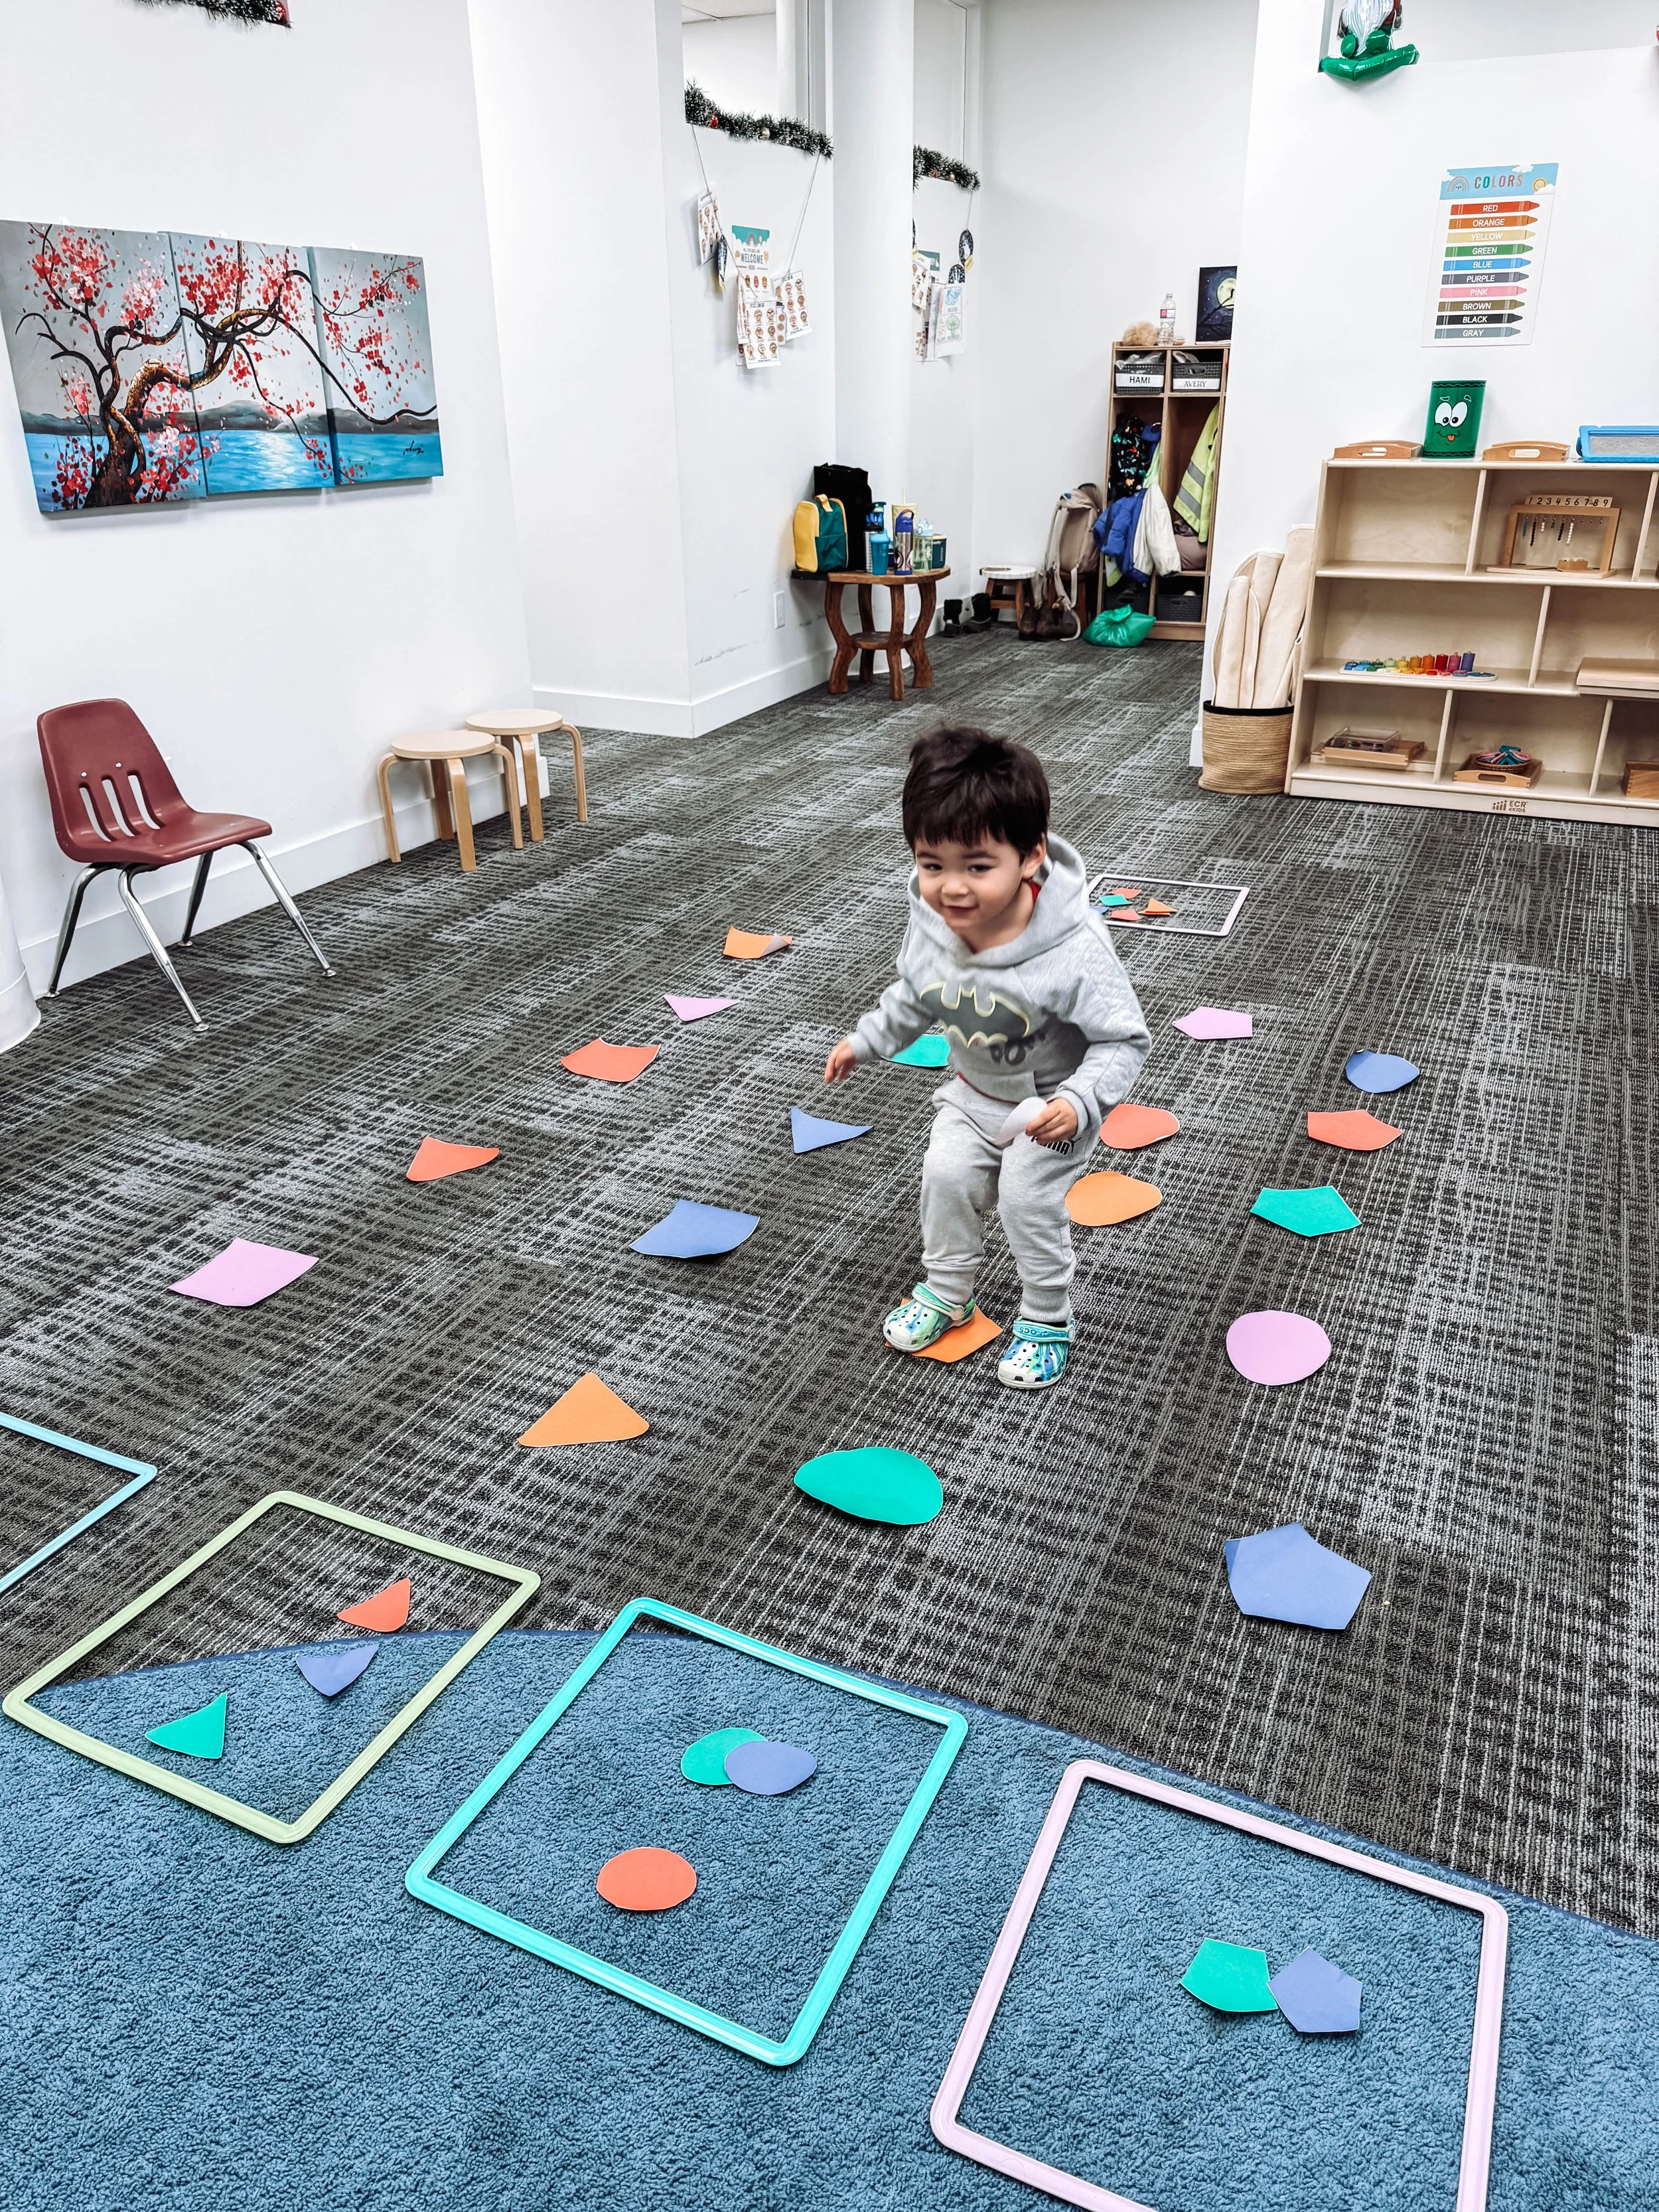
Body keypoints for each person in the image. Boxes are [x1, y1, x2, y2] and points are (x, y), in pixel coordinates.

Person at [825, 727, 1150, 1390]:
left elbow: (1124, 1039)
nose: (952, 889)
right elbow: (918, 992)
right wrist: (867, 1039)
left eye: (978, 866)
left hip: (1052, 1107)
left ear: (1030, 857)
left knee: (1025, 1204)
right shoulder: (932, 919)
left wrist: (1078, 1104)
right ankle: (948, 1293)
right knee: (943, 1179)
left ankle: (1046, 1319)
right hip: (973, 1094)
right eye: (931, 863)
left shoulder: (1075, 947)